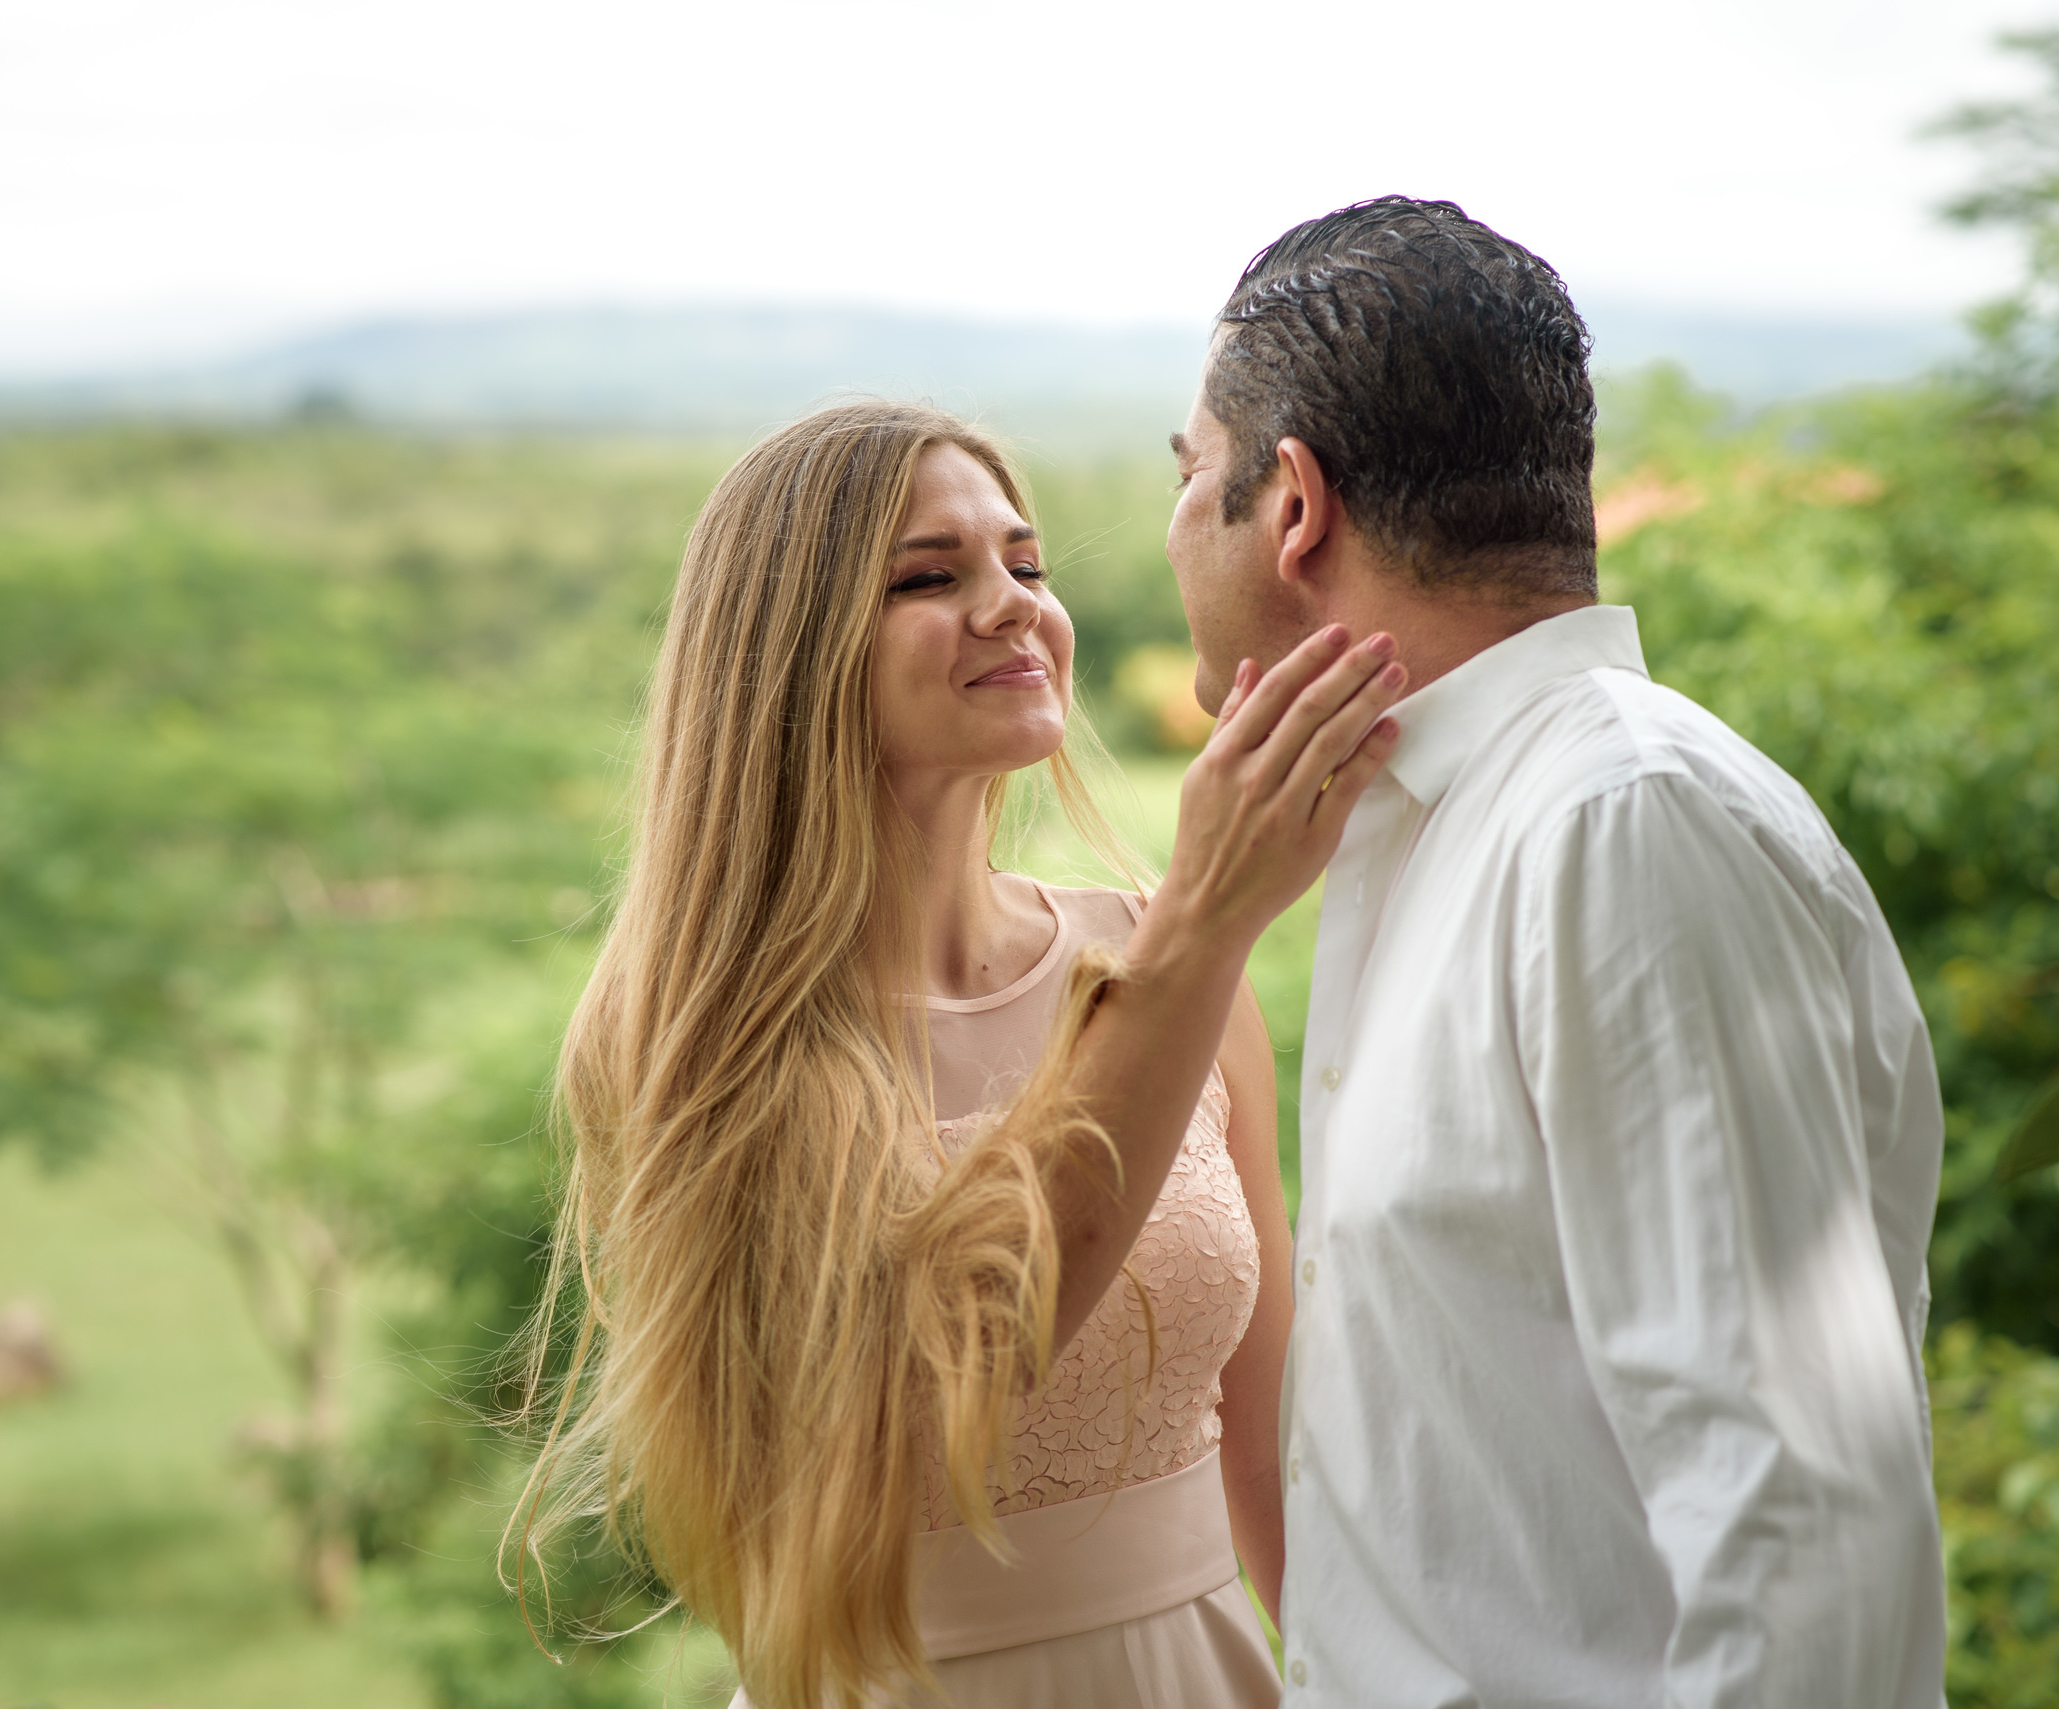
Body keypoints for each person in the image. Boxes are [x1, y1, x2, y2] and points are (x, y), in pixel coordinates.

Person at [1165, 196, 1948, 1706]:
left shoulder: (1625, 828)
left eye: (1191, 473)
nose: (1177, 518)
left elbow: (1801, 1518)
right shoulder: (1418, 826)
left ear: (1294, 505)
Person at [512, 400, 1406, 1709]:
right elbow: (950, 1373)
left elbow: (1272, 1448)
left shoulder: (1162, 965)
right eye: (930, 576)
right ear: (787, 649)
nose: (1013, 606)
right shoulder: (691, 1026)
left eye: (1027, 565)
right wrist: (1206, 929)